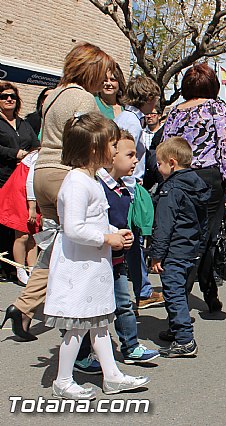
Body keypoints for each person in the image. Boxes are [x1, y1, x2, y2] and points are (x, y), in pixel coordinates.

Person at [4, 42, 116, 342]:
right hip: (68, 174)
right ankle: (80, 320)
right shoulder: (84, 99)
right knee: (79, 246)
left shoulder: (53, 96)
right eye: (102, 73)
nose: (104, 79)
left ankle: (24, 307)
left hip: (42, 173)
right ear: (90, 70)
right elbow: (93, 141)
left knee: (56, 246)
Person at [43, 113, 149, 399]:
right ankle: (63, 380)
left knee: (100, 324)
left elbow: (93, 221)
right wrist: (107, 237)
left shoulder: (89, 180)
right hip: (80, 266)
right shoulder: (77, 182)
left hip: (93, 265)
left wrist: (115, 231)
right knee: (78, 327)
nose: (115, 150)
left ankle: (111, 375)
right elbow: (74, 228)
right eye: (112, 145)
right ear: (94, 148)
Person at [162, 62, 226, 314]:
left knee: (184, 236)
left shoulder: (175, 112)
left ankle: (208, 293)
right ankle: (182, 302)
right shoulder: (217, 108)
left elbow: (165, 147)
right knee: (205, 239)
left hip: (179, 176)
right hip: (209, 178)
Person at [95, 130, 160, 364]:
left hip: (117, 259)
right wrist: (114, 234)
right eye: (130, 154)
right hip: (96, 261)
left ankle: (130, 346)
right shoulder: (96, 186)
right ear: (110, 154)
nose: (136, 160)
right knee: (92, 312)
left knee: (124, 304)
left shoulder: (123, 187)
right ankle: (82, 355)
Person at [150, 137, 210, 357]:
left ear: (172, 163)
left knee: (173, 292)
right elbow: (203, 220)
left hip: (175, 250)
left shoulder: (172, 189)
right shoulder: (197, 184)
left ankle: (185, 339)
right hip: (191, 248)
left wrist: (157, 255)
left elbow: (164, 225)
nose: (158, 168)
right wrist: (200, 247)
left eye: (159, 163)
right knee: (181, 291)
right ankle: (177, 329)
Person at [115, 75, 163, 311]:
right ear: (146, 98)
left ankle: (142, 289)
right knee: (132, 238)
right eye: (153, 99)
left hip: (132, 184)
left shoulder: (132, 119)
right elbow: (123, 155)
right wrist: (129, 188)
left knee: (134, 240)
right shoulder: (131, 122)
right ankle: (140, 291)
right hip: (128, 185)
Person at [0, 82, 40, 284]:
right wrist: (13, 153)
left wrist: (29, 156)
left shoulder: (23, 124)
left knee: (27, 229)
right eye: (4, 96)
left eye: (12, 97)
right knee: (12, 228)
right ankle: (12, 269)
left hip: (24, 181)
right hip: (3, 179)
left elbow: (36, 145)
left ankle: (27, 268)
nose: (9, 99)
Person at [0, 149, 40, 286]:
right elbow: (30, 181)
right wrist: (32, 207)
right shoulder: (38, 156)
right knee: (22, 234)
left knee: (33, 234)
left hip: (32, 193)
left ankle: (32, 268)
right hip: (21, 192)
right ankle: (20, 269)